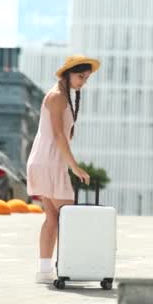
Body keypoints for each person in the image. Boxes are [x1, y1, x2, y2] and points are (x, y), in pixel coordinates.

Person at [26, 54, 100, 283]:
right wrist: (75, 167)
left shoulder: (63, 96)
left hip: (44, 160)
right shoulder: (58, 96)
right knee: (70, 219)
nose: (83, 81)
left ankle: (45, 271)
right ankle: (73, 267)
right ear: (67, 74)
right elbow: (59, 135)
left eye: (86, 78)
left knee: (53, 218)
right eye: (80, 76)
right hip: (49, 162)